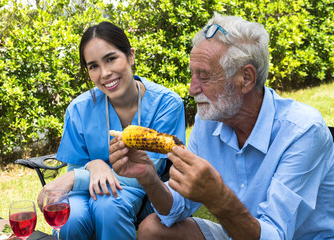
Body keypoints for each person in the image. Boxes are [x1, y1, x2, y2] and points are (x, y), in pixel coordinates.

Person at [109, 12, 334, 240]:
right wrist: (148, 177)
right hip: (239, 233)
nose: (191, 88)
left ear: (246, 78)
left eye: (204, 76)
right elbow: (176, 208)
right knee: (152, 229)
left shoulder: (303, 131)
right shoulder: (208, 120)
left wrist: (219, 198)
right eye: (192, 74)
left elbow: (274, 235)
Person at [36, 21, 186, 240]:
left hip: (139, 191)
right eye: (93, 66)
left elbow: (147, 172)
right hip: (85, 192)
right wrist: (93, 165)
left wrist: (75, 179)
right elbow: (75, 164)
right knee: (72, 216)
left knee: (108, 207)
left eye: (111, 58)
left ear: (131, 56)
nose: (104, 73)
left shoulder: (167, 104)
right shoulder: (78, 109)